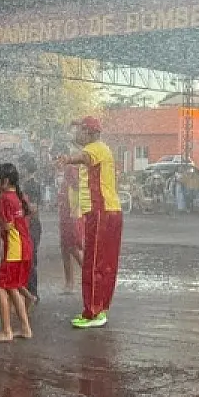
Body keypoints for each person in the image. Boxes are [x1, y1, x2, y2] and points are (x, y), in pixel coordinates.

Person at [59, 117, 123, 329]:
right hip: (109, 212)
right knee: (104, 262)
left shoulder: (95, 148)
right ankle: (100, 308)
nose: (75, 135)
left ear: (88, 132)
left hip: (101, 212)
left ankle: (93, 312)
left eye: (79, 131)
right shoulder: (102, 147)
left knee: (93, 261)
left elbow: (83, 157)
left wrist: (67, 159)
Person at [0, 163, 34, 343]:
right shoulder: (15, 196)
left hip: (15, 250)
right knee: (12, 287)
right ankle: (25, 328)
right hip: (23, 248)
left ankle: (6, 330)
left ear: (5, 181)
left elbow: (7, 225)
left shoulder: (6, 198)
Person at [18, 154, 43, 306]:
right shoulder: (27, 184)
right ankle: (27, 290)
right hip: (31, 225)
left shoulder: (31, 185)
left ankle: (32, 292)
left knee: (30, 259)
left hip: (31, 225)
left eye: (21, 166)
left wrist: (18, 210)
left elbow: (34, 208)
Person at [58, 156, 83, 294]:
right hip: (64, 218)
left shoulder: (71, 170)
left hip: (73, 217)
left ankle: (89, 277)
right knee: (64, 249)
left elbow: (78, 185)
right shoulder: (64, 181)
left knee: (73, 248)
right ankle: (69, 282)